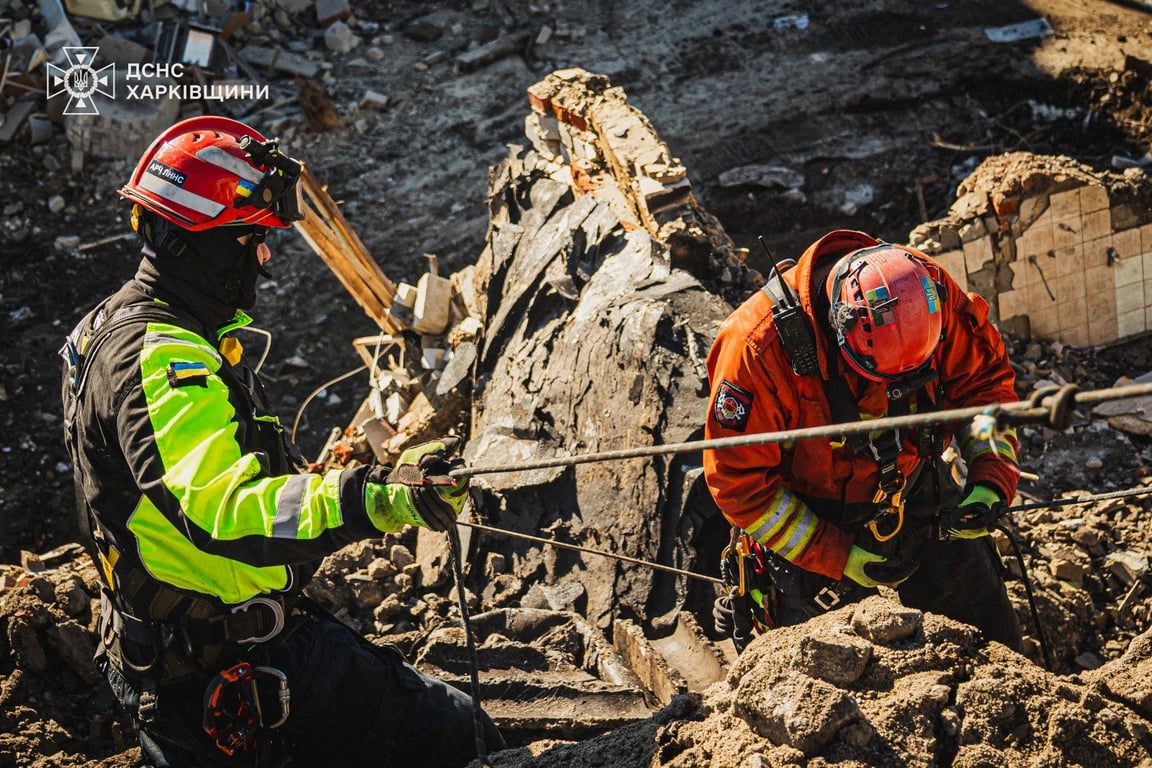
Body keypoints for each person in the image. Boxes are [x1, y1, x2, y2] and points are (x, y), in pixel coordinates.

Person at [59, 116, 503, 767]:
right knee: (455, 734)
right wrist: (370, 499)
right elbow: (222, 509)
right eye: (251, 239)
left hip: (167, 649)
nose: (263, 259)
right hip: (220, 665)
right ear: (199, 243)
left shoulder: (103, 326)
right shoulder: (164, 359)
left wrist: (327, 480)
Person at [704, 229, 1023, 653]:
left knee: (988, 632)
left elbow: (984, 390)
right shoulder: (757, 351)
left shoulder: (926, 293)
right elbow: (739, 484)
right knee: (824, 667)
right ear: (838, 335)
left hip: (915, 484)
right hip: (813, 516)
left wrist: (990, 478)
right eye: (880, 379)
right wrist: (835, 555)